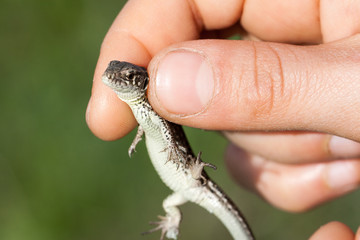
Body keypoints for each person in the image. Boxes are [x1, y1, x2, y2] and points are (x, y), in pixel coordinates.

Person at [86, 1, 360, 239]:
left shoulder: (153, 103)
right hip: (184, 187)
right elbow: (149, 127)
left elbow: (163, 130)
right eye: (115, 73)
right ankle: (173, 220)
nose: (115, 79)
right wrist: (138, 136)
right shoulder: (140, 108)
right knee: (171, 204)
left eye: (128, 77)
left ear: (140, 82)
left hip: (194, 182)